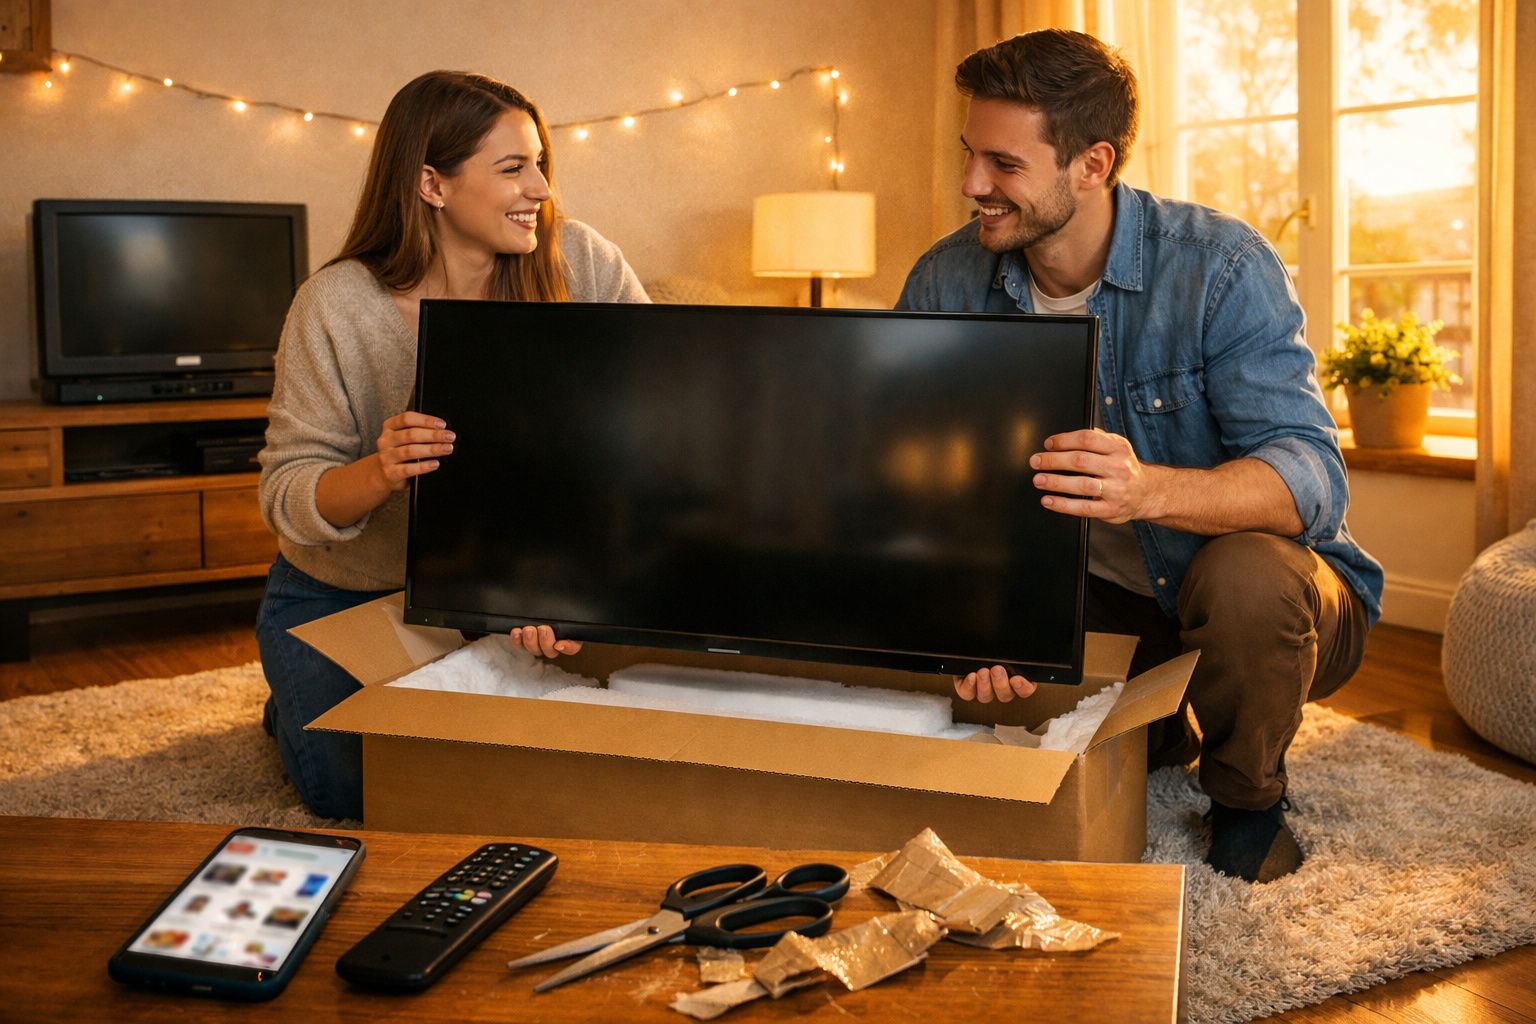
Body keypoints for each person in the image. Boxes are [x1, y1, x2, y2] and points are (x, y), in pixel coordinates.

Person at [897, 30, 1383, 883]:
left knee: (1248, 579)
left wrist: (1145, 489)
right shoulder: (945, 281)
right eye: (970, 155)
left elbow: (1312, 480)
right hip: (1093, 598)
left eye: (1004, 165)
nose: (973, 185)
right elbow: (906, 476)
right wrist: (964, 614)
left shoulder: (1221, 267)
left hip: (1266, 603)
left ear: (1093, 164)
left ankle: (1246, 797)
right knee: (999, 719)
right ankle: (1166, 726)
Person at [257, 70, 649, 820]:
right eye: (512, 169)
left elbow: (657, 414)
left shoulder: (582, 264)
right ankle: (290, 703)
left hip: (505, 579)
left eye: (541, 163)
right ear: (431, 184)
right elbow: (287, 493)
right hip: (350, 590)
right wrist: (380, 470)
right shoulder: (336, 305)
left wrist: (557, 585)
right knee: (358, 793)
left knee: (556, 775)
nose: (541, 187)